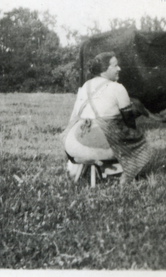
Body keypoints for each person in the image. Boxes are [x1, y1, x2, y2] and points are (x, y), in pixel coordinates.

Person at [62, 52, 150, 185]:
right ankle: (124, 178)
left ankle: (80, 167)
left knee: (104, 134)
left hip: (72, 144)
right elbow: (129, 122)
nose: (119, 68)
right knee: (140, 142)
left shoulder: (86, 86)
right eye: (115, 65)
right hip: (95, 146)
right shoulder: (117, 88)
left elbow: (74, 116)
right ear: (105, 69)